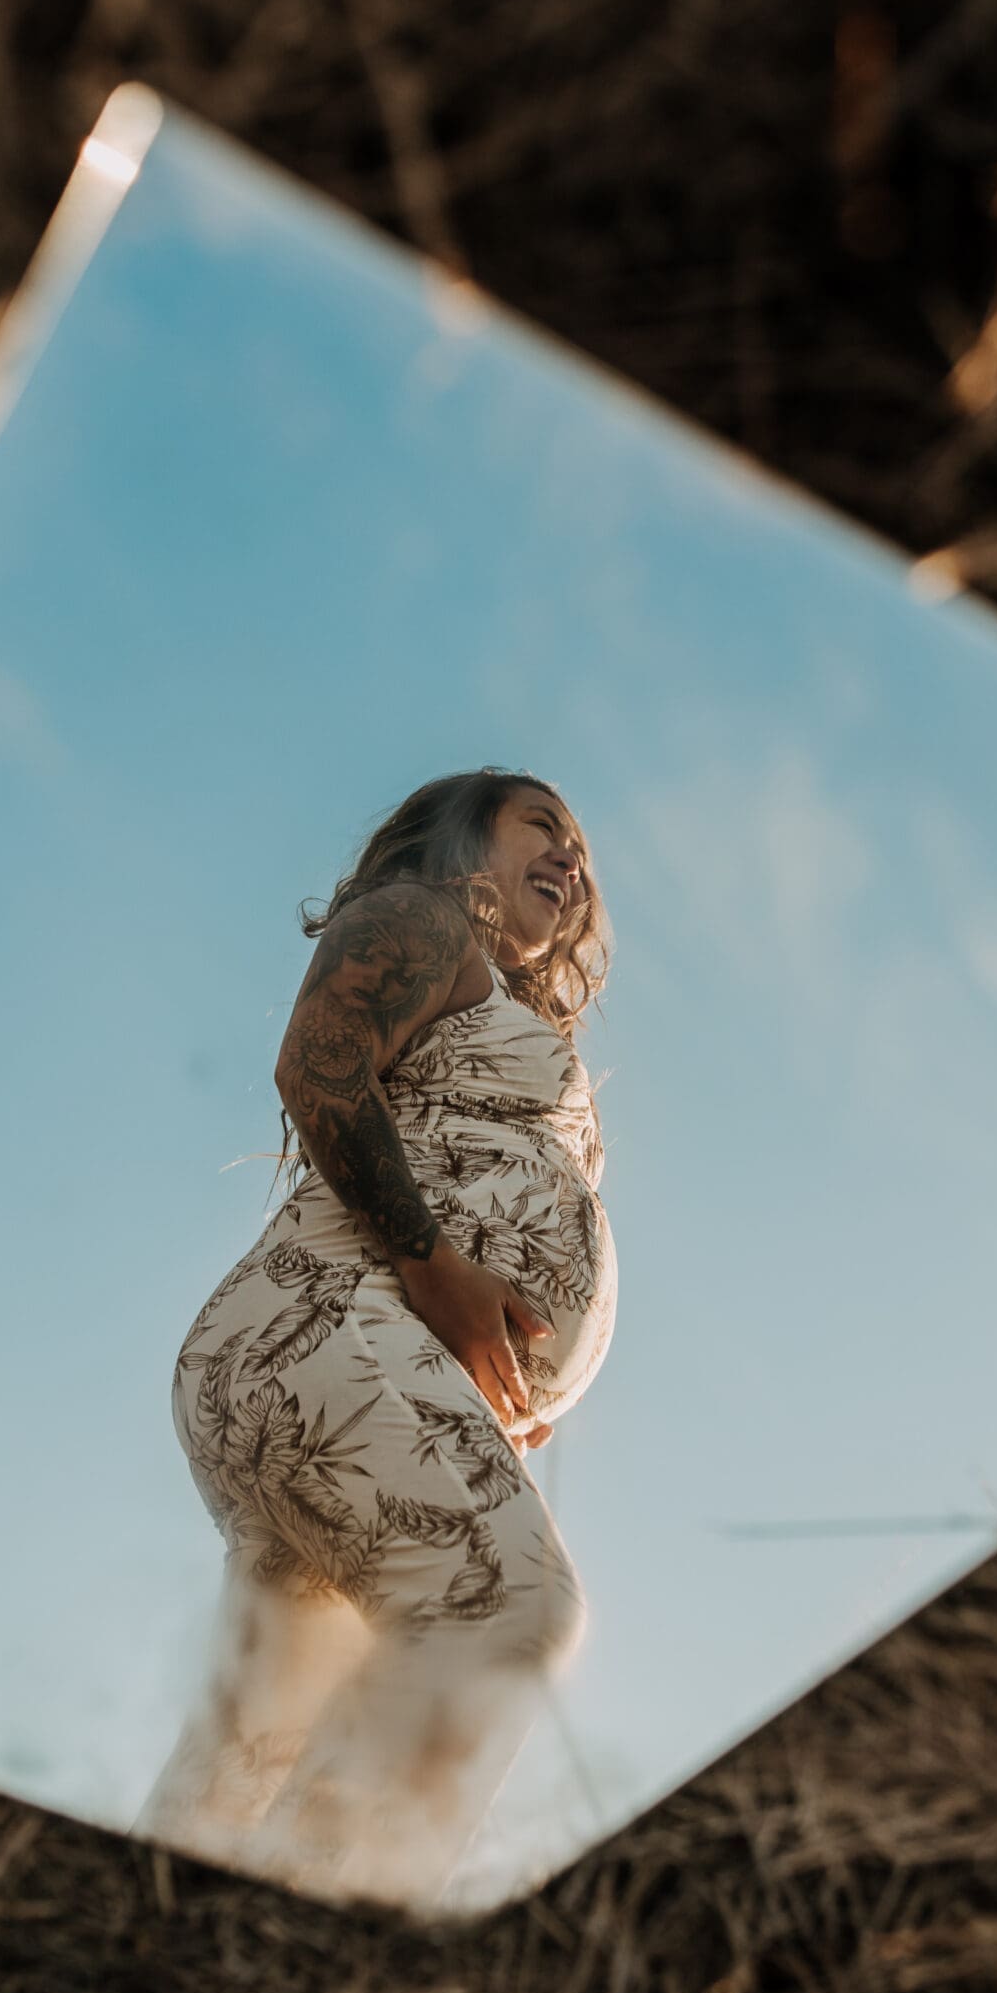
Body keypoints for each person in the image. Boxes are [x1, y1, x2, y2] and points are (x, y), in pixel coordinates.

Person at [138, 767, 617, 1907]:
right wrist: (438, 1272)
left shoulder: (491, 999)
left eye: (585, 850)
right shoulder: (429, 919)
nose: (573, 859)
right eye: (543, 826)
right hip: (328, 1327)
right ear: (463, 840)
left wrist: (500, 1379)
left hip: (344, 1359)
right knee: (507, 1606)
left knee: (247, 1758)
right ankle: (297, 1983)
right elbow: (319, 1063)